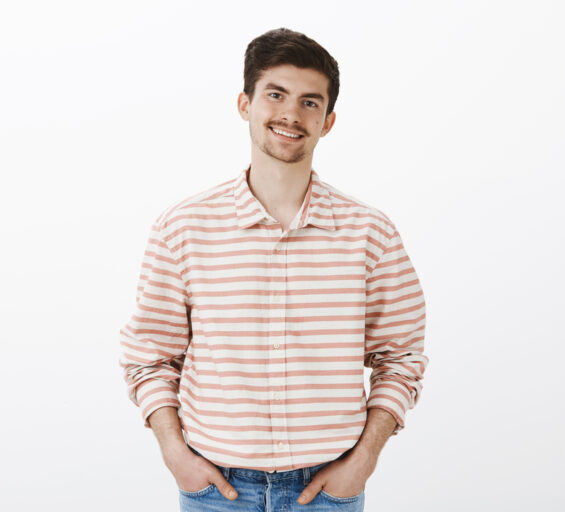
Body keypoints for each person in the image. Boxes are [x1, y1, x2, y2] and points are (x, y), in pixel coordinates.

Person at [118, 27, 428, 511]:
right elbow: (150, 356)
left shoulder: (371, 233)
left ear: (327, 121)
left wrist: (364, 460)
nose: (290, 114)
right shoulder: (183, 228)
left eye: (310, 102)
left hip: (328, 492)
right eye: (276, 95)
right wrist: (174, 452)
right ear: (245, 104)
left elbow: (402, 356)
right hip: (216, 489)